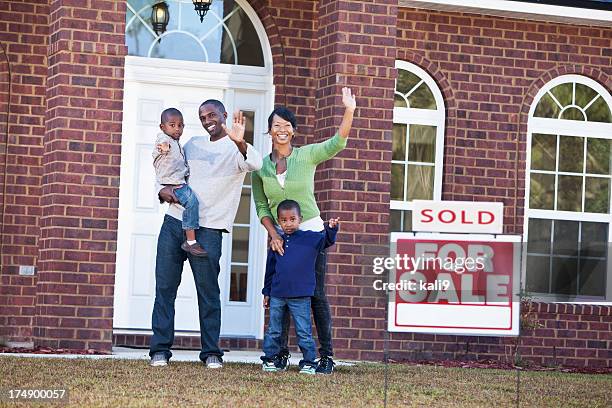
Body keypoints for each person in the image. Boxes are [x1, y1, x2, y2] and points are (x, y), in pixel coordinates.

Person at [149, 100, 263, 369]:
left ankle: (211, 352)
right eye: (202, 116)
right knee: (165, 289)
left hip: (209, 230)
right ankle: (160, 350)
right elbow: (169, 171)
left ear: (224, 115)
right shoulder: (191, 144)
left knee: (208, 293)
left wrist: (240, 141)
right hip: (174, 224)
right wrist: (162, 192)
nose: (207, 119)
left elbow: (256, 163)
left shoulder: (236, 150)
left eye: (212, 114)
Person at [252, 87, 356, 374]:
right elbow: (261, 205)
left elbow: (337, 143)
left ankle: (325, 357)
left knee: (316, 295)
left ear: (294, 132)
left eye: (286, 126)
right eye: (276, 125)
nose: (281, 130)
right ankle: (281, 354)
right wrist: (273, 234)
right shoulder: (260, 166)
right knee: (280, 292)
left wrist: (349, 110)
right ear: (269, 132)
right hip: (280, 236)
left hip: (310, 234)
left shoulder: (307, 155)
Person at [261, 200, 339, 375]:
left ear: (300, 219)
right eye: (284, 220)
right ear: (279, 221)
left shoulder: (310, 238)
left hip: (301, 296)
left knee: (304, 331)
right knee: (274, 329)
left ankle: (308, 362)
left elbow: (327, 240)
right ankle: (269, 359)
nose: (288, 223)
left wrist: (332, 228)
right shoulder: (277, 242)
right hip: (278, 295)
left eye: (292, 219)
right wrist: (267, 292)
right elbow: (270, 270)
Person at [152, 108, 207, 257]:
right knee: (192, 202)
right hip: (173, 183)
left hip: (176, 182)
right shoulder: (165, 139)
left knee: (191, 202)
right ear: (162, 127)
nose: (177, 128)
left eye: (180, 125)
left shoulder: (177, 142)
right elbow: (161, 146)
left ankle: (190, 240)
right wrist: (163, 147)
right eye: (172, 125)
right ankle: (191, 242)